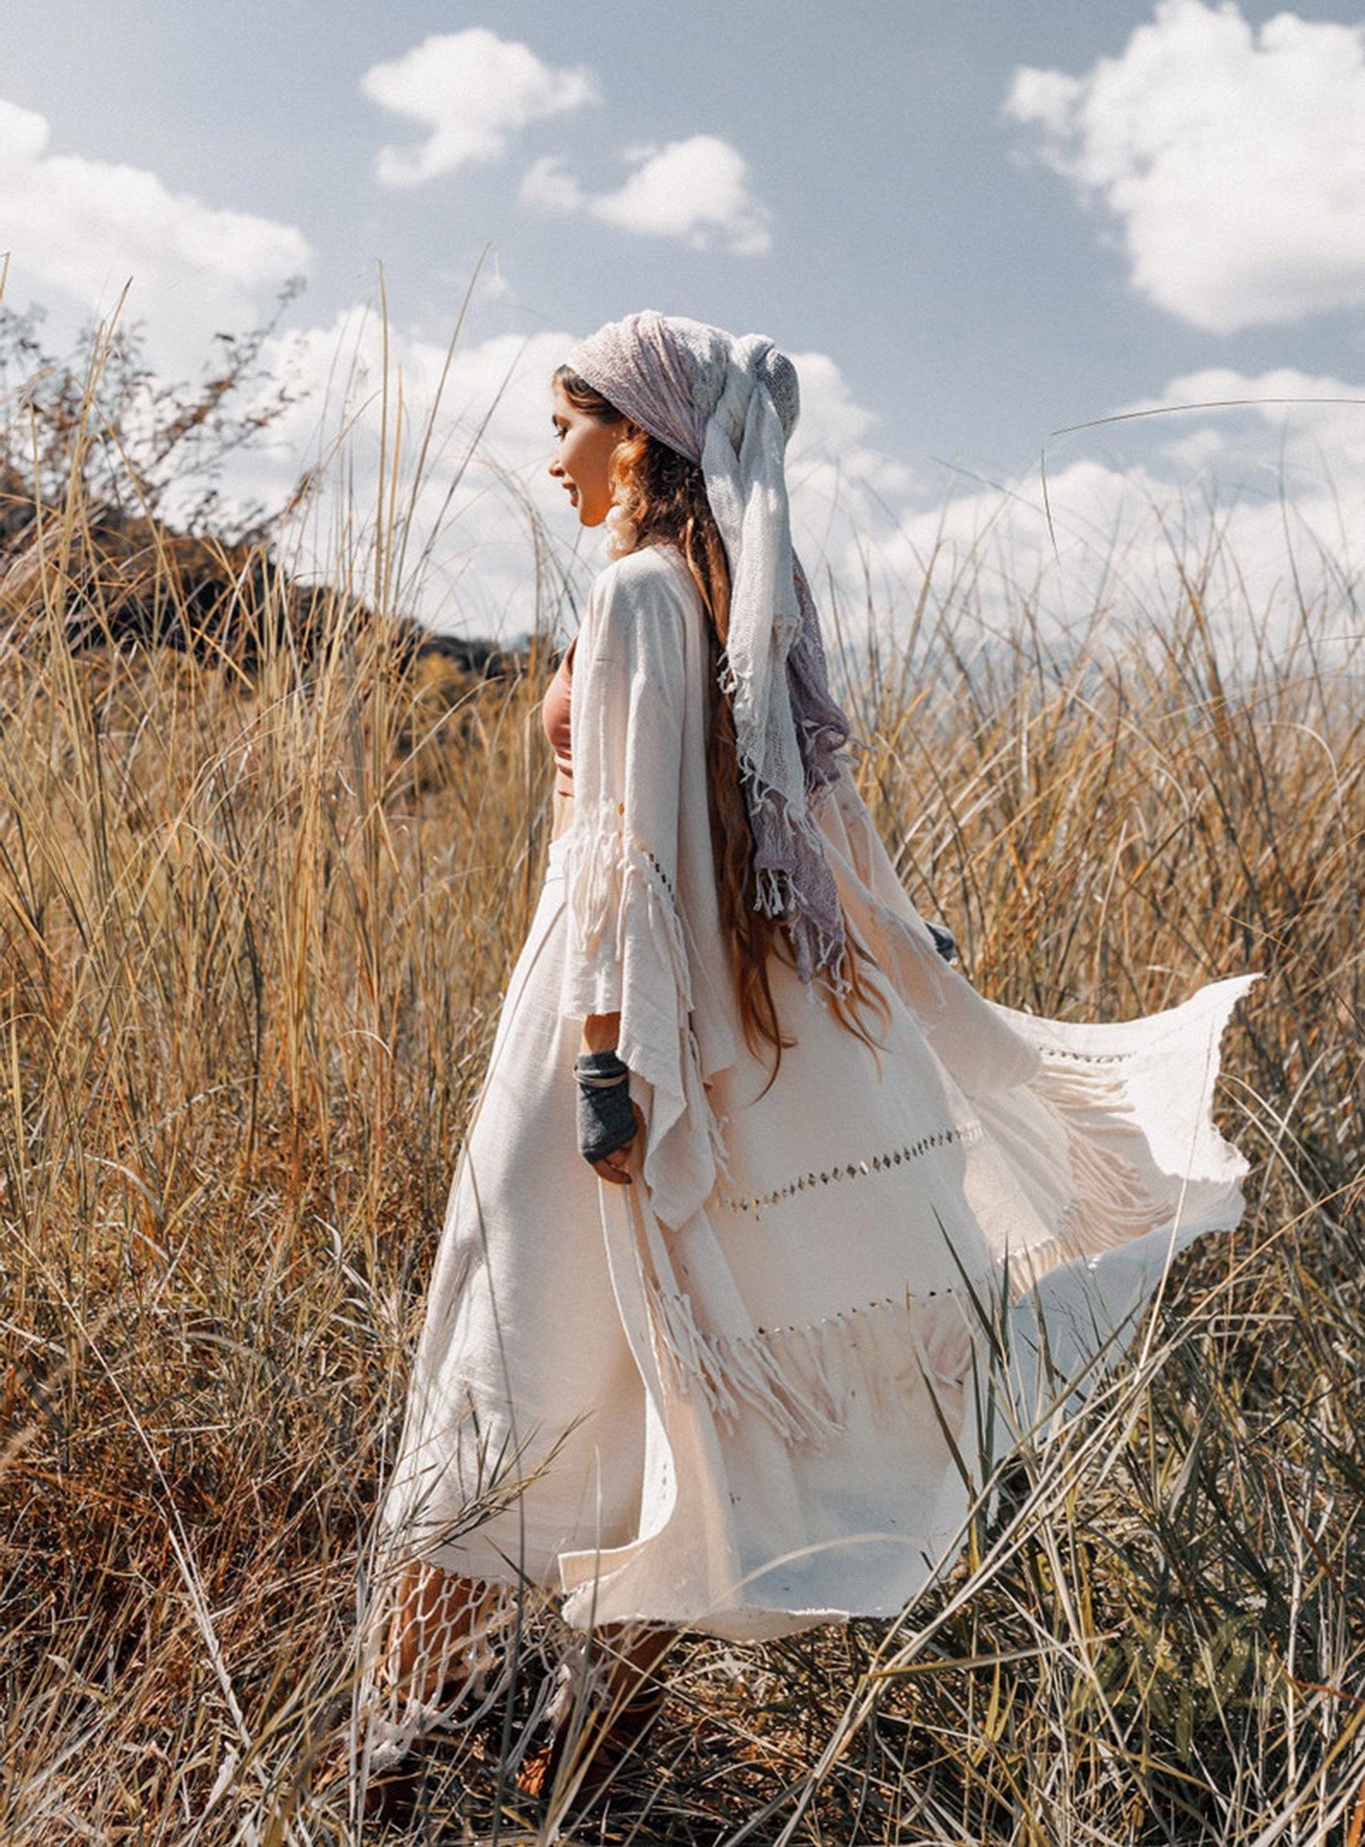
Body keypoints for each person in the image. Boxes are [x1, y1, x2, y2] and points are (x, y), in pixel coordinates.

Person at [359, 311, 1252, 1801]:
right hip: (667, 1024)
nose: (553, 454)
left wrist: (602, 1078)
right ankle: (574, 1739)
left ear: (636, 439)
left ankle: (385, 1751)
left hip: (605, 1026)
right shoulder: (721, 597)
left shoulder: (640, 594)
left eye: (568, 421)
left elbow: (630, 866)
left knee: (504, 1358)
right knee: (648, 1368)